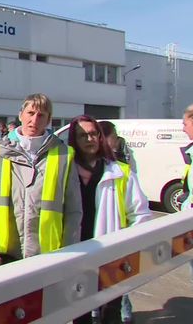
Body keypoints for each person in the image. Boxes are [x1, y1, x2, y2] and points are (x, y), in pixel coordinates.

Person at [68, 115, 151, 324]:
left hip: (111, 256)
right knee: (80, 315)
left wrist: (127, 249)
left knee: (111, 315)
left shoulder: (120, 171)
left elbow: (140, 214)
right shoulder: (64, 170)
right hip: (76, 256)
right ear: (74, 139)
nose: (89, 139)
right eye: (82, 135)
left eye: (93, 134)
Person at [0, 94, 82, 264]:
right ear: (20, 115)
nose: (35, 119)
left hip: (47, 254)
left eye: (41, 115)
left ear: (49, 120)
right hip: (4, 252)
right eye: (30, 113)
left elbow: (73, 210)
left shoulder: (63, 154)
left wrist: (70, 250)